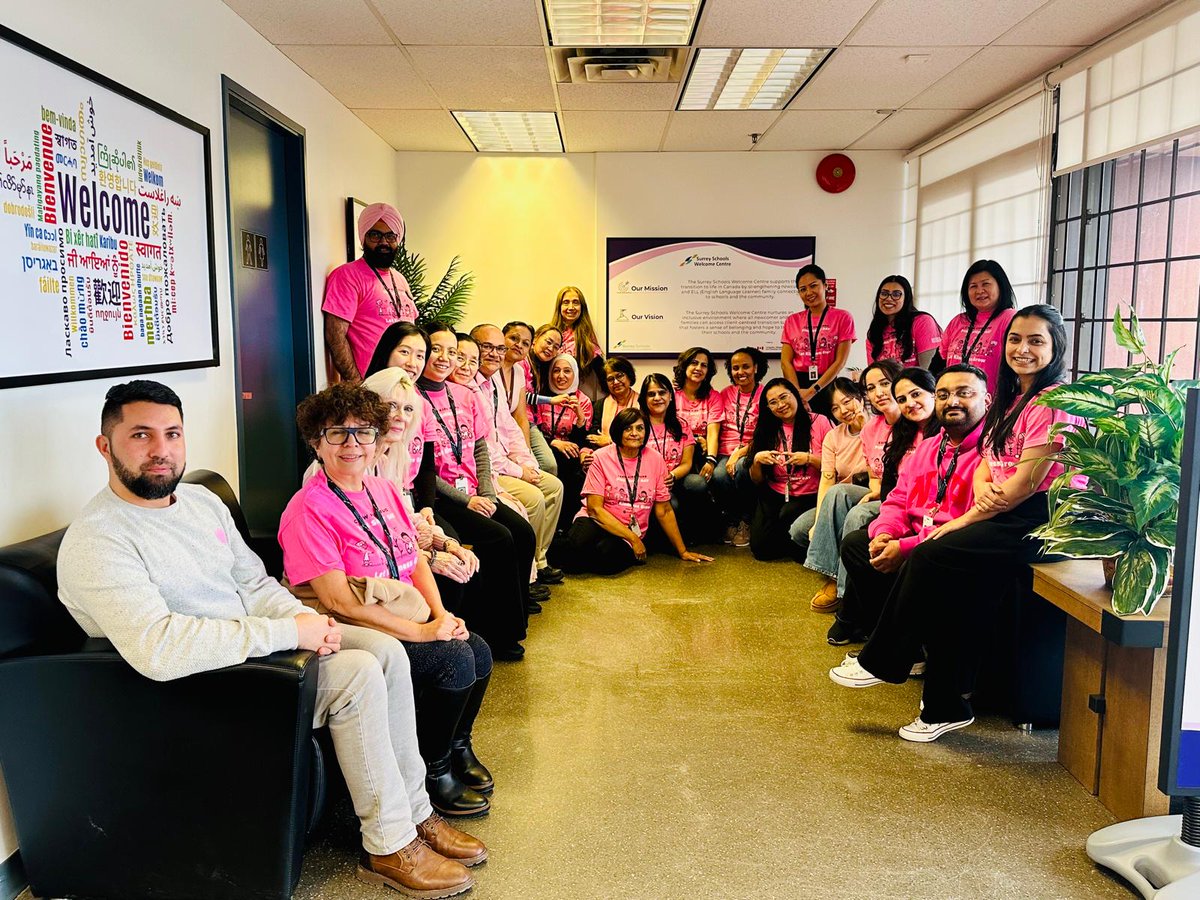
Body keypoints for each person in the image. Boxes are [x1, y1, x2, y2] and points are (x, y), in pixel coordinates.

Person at [57, 380, 485, 897]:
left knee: (385, 651)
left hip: (248, 652)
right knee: (358, 674)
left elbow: (254, 583)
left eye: (172, 433)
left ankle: (415, 812)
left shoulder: (197, 502)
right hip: (194, 684)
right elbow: (159, 648)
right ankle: (388, 842)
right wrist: (287, 630)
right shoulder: (99, 538)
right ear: (106, 446)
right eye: (141, 436)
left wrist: (312, 626)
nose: (161, 450)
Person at [830, 348, 1082, 744]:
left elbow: (992, 502)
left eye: (963, 393)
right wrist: (886, 533)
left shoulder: (1011, 429)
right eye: (944, 395)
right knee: (860, 545)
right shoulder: (933, 444)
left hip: (1000, 531)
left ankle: (899, 668)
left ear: (987, 400)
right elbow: (899, 497)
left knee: (938, 569)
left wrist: (911, 544)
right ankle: (912, 662)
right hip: (957, 533)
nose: (951, 402)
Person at [279, 383, 494, 819]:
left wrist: (440, 614)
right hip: (344, 625)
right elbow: (339, 601)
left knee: (479, 650)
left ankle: (455, 746)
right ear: (316, 442)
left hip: (397, 607)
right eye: (336, 433)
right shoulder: (307, 509)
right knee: (452, 660)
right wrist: (421, 632)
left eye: (363, 432)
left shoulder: (386, 490)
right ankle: (433, 773)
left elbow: (413, 562)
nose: (352, 444)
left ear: (379, 439)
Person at [419, 323, 537, 658]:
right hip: (444, 497)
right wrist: (468, 499)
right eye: (437, 350)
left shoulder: (465, 394)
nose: (446, 358)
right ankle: (497, 635)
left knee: (523, 532)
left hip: (475, 490)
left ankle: (514, 621)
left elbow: (481, 449)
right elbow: (424, 470)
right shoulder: (415, 397)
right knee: (498, 539)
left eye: (452, 352)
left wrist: (486, 493)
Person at [825, 366, 943, 646]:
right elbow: (895, 492)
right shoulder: (900, 434)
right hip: (905, 517)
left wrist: (899, 537)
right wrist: (886, 530)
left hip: (934, 527)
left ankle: (853, 616)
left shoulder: (945, 435)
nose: (909, 403)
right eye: (902, 399)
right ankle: (875, 625)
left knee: (857, 522)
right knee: (856, 539)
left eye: (916, 394)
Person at [361, 366, 480, 619]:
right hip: (370, 575)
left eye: (407, 409)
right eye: (391, 405)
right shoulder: (353, 462)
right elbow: (370, 538)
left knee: (460, 566)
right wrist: (429, 556)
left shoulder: (393, 456)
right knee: (447, 582)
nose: (401, 416)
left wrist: (446, 543)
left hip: (396, 556)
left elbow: (403, 515)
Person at [549, 409, 714, 575]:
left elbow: (664, 510)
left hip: (627, 528)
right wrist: (635, 540)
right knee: (574, 546)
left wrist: (682, 551)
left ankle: (579, 559)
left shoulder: (656, 460)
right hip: (597, 520)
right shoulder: (600, 457)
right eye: (628, 429)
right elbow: (594, 509)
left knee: (607, 559)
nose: (634, 433)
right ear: (618, 431)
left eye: (640, 428)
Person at [470, 323, 566, 586]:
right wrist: (519, 471)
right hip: (490, 469)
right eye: (487, 347)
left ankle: (540, 559)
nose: (496, 353)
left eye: (498, 348)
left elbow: (512, 424)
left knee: (554, 486)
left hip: (505, 459)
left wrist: (526, 463)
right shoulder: (470, 387)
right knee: (534, 498)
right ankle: (526, 575)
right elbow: (483, 448)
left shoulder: (494, 382)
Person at [788, 377, 870, 612]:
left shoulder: (879, 426)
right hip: (839, 497)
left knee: (840, 493)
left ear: (860, 397)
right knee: (800, 530)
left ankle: (834, 581)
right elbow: (827, 479)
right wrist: (818, 521)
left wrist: (866, 428)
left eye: (848, 401)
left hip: (868, 494)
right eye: (835, 408)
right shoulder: (833, 436)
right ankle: (836, 566)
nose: (844, 411)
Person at [323, 202, 418, 383]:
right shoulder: (347, 275)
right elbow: (335, 336)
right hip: (369, 387)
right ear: (363, 238)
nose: (384, 242)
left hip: (403, 386)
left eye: (390, 236)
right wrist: (359, 387)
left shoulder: (400, 279)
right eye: (375, 235)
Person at [747, 378, 831, 562]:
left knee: (788, 515)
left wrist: (809, 459)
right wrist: (757, 461)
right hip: (776, 491)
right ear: (768, 407)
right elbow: (757, 480)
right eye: (773, 402)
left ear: (796, 395)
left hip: (811, 493)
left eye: (784, 397)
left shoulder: (820, 421)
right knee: (761, 550)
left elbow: (836, 468)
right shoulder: (766, 428)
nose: (781, 405)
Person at [780, 264, 855, 419]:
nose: (809, 292)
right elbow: (785, 362)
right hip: (798, 384)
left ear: (825, 285)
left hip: (827, 384)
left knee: (829, 431)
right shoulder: (792, 320)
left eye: (813, 286)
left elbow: (840, 361)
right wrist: (798, 394)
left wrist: (812, 391)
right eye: (803, 289)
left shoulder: (843, 317)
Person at [711, 347, 768, 549]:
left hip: (751, 450)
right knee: (719, 476)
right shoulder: (724, 394)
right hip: (725, 450)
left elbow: (765, 434)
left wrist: (740, 453)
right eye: (735, 368)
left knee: (743, 468)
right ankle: (733, 519)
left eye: (746, 366)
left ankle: (746, 520)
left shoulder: (765, 394)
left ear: (756, 368)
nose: (740, 372)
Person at [531, 353, 595, 524]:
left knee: (573, 469)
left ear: (574, 374)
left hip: (571, 452)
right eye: (556, 371)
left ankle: (565, 524)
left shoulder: (583, 400)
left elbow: (582, 441)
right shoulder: (542, 396)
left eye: (567, 371)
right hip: (544, 448)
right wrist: (554, 442)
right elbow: (532, 429)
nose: (561, 376)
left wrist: (580, 418)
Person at [939, 259, 1018, 391]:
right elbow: (938, 363)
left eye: (986, 284)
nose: (979, 291)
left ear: (1000, 286)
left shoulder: (1011, 318)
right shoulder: (958, 321)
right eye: (973, 286)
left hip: (992, 405)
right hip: (954, 402)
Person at [638, 374, 701, 538]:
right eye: (651, 394)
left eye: (662, 392)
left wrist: (672, 475)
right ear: (644, 399)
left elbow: (687, 463)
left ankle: (697, 532)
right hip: (646, 484)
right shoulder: (638, 426)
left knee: (697, 483)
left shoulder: (682, 425)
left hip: (675, 479)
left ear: (671, 396)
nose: (657, 398)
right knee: (671, 503)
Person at [673, 347, 724, 537]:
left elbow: (713, 432)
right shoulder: (671, 394)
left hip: (702, 455)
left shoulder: (713, 396)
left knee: (700, 484)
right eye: (694, 363)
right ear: (685, 365)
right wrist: (694, 439)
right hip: (675, 455)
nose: (698, 368)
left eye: (704, 365)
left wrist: (711, 459)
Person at [500, 320, 556, 475]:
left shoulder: (519, 370)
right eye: (513, 339)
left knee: (544, 472)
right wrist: (551, 400)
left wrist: (527, 456)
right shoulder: (493, 368)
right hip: (500, 435)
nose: (519, 345)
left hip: (523, 425)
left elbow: (521, 417)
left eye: (525, 343)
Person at [865, 275, 942, 369]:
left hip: (917, 383)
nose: (889, 298)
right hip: (885, 383)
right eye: (884, 293)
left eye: (896, 294)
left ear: (906, 299)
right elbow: (873, 373)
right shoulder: (874, 332)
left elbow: (929, 371)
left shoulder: (922, 321)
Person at [551, 286, 606, 405]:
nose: (571, 307)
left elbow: (602, 372)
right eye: (566, 302)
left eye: (575, 302)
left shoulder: (587, 339)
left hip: (574, 399)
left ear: (582, 307)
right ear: (559, 307)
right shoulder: (549, 335)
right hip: (548, 398)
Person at [590, 356, 638, 447]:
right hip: (605, 456)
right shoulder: (599, 405)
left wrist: (609, 441)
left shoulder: (642, 402)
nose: (615, 382)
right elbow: (593, 438)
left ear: (629, 376)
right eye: (610, 379)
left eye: (619, 376)